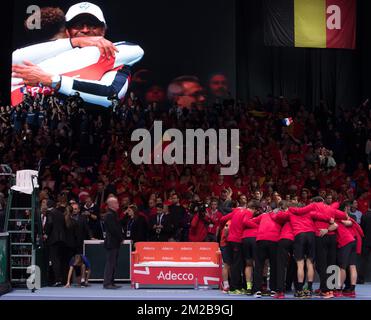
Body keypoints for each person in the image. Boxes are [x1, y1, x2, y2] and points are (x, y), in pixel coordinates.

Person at [12, 2, 144, 107]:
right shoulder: (46, 52)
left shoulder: (116, 57)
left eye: (93, 25)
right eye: (78, 25)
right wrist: (76, 42)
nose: (85, 30)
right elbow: (15, 59)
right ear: (67, 31)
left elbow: (110, 96)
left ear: (103, 30)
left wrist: (52, 80)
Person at [44, 199, 66, 286]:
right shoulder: (60, 213)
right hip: (61, 239)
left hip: (53, 239)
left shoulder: (50, 213)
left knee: (54, 260)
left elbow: (49, 223)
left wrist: (46, 233)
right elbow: (64, 225)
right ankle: (60, 279)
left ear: (48, 205)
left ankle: (57, 280)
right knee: (59, 259)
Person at [103, 196, 123, 289]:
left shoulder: (113, 214)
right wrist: (121, 238)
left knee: (113, 263)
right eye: (116, 203)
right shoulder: (109, 215)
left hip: (114, 242)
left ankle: (111, 281)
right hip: (111, 242)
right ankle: (107, 283)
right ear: (112, 204)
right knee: (110, 263)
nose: (118, 204)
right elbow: (114, 229)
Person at [359, 201, 371, 283]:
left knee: (363, 261)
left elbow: (361, 230)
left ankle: (361, 279)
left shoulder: (364, 216)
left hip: (366, 241)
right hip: (367, 241)